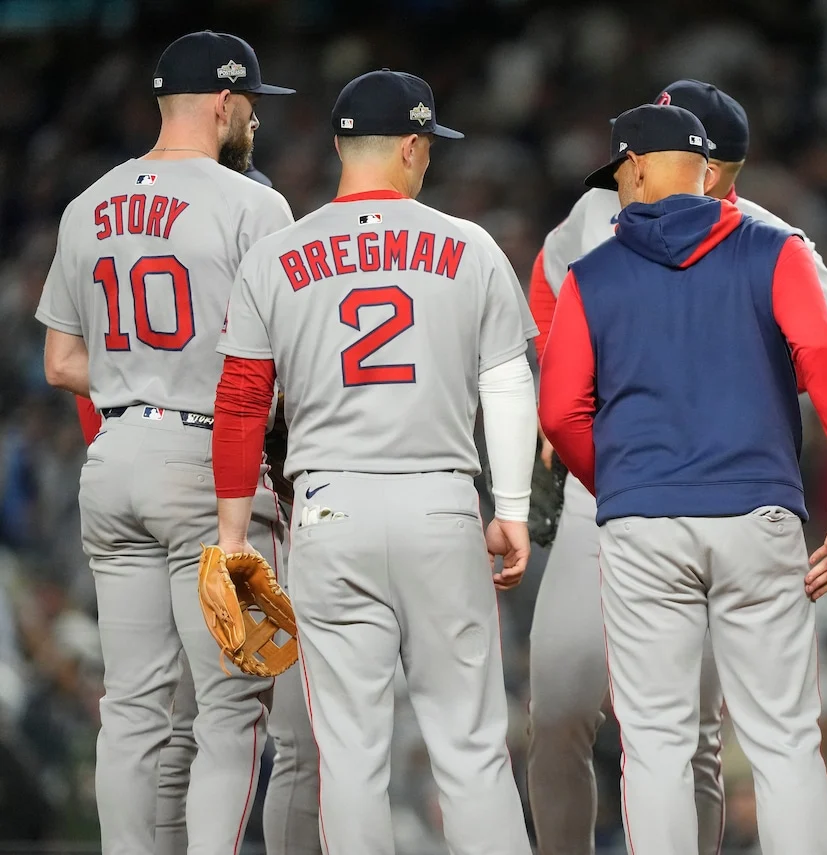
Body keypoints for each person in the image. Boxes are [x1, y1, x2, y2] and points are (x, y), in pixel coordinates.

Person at [525, 78, 827, 855]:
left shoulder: (772, 237)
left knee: (684, 734)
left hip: (695, 487)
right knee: (560, 709)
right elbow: (545, 301)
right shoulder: (594, 211)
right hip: (615, 483)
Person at [210, 68, 535, 855]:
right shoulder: (470, 245)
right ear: (414, 147)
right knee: (469, 746)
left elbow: (243, 402)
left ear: (338, 146)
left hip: (330, 510)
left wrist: (233, 535)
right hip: (440, 504)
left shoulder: (276, 255)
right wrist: (513, 510)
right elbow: (508, 382)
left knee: (350, 754)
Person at [36, 30, 296, 855]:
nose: (254, 116)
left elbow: (60, 362)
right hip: (205, 465)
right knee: (229, 703)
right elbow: (282, 367)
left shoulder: (87, 204)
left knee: (132, 706)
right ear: (223, 100)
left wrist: (137, 376)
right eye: (250, 101)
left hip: (114, 460)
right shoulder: (252, 204)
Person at [69, 135, 322, 855]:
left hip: (124, 472)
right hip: (227, 493)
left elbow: (70, 370)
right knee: (249, 716)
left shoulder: (107, 236)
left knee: (143, 714)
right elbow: (278, 390)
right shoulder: (253, 234)